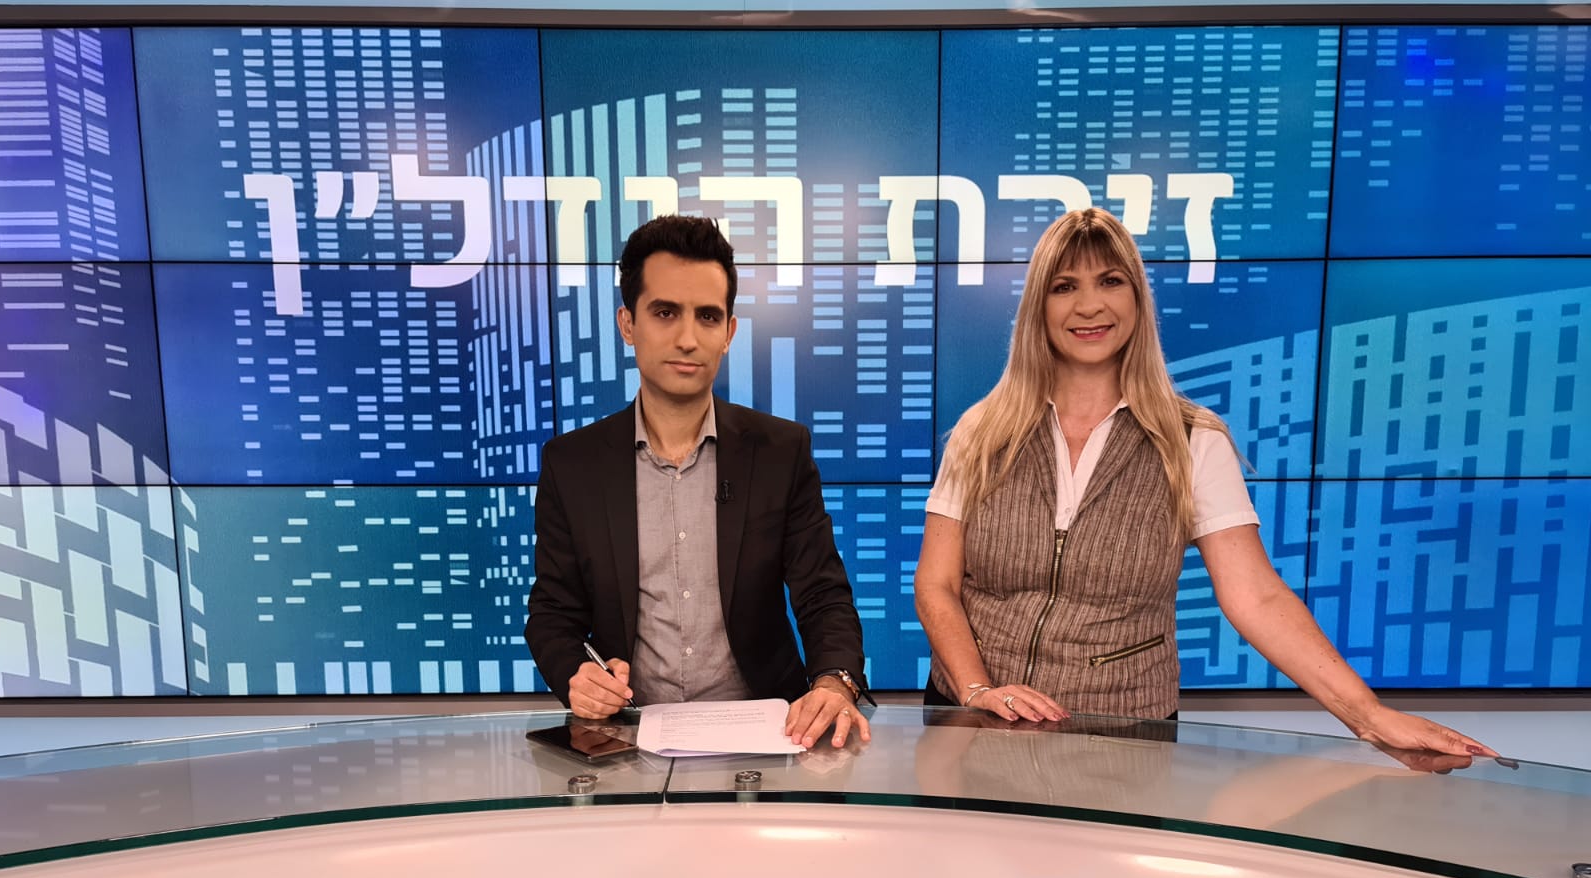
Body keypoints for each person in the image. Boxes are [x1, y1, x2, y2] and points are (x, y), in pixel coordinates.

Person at [913, 207, 1496, 771]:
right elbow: (937, 584)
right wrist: (977, 689)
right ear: (1038, 307)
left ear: (1137, 298)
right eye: (1064, 287)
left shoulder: (1192, 439)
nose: (1089, 305)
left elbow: (1256, 597)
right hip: (975, 723)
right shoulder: (981, 431)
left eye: (1110, 281)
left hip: (1120, 736)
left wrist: (1368, 716)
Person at [526, 215, 871, 749]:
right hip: (627, 740)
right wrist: (576, 673)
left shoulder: (780, 451)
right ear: (627, 324)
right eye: (665, 313)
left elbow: (823, 596)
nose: (688, 339)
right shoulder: (572, 464)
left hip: (766, 736)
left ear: (728, 333)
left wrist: (833, 681)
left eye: (707, 317)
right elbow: (552, 614)